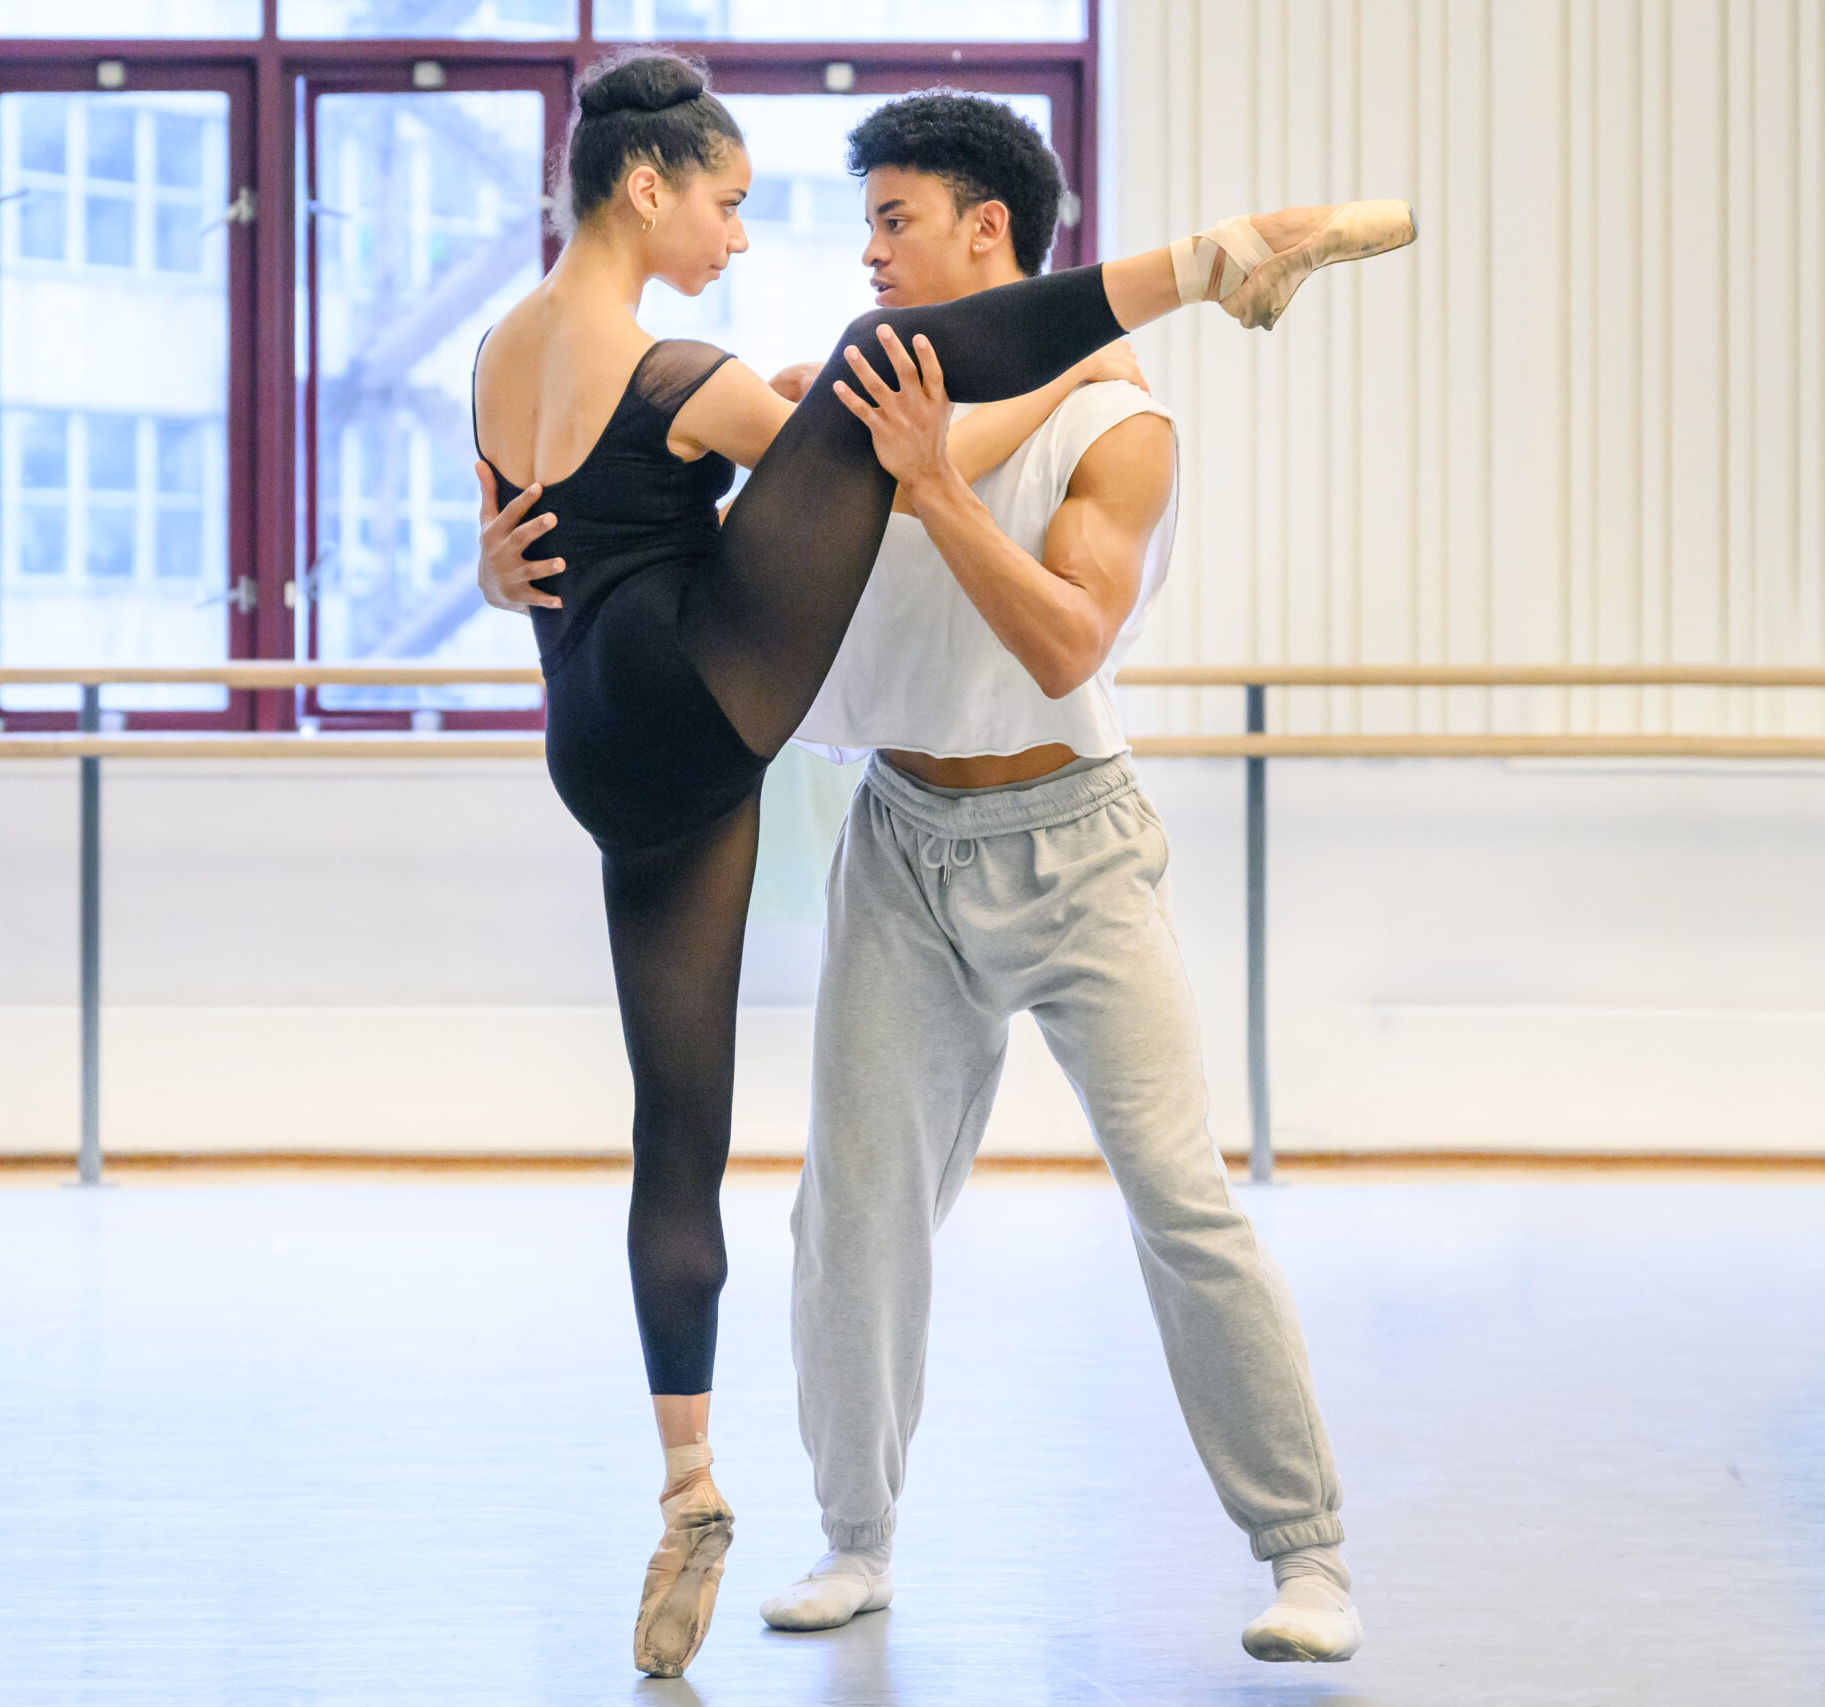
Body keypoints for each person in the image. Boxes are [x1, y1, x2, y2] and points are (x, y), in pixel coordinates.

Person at [468, 48, 1411, 1679]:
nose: (860, 255)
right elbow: (655, 482)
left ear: (991, 237)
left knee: (1183, 1205)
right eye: (823, 218)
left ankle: (1306, 1553)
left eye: (892, 224)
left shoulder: (1118, 422)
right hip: (898, 839)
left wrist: (940, 468)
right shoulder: (812, 394)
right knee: (854, 1214)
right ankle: (855, 1539)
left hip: (1068, 848)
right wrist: (504, 566)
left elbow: (1060, 643)